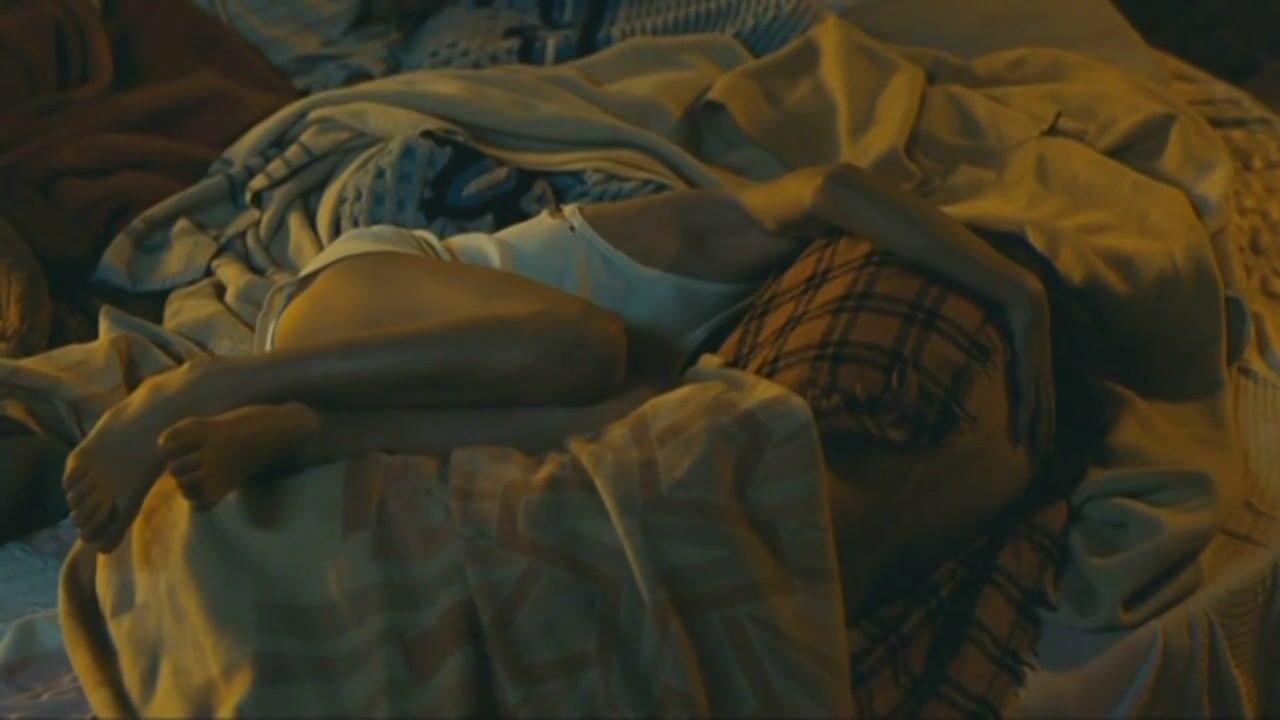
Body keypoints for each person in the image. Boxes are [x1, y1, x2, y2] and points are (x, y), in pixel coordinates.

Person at [62, 163, 1054, 553]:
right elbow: (830, 184)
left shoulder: (749, 332)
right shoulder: (722, 228)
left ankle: (310, 434)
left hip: (427, 388)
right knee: (587, 349)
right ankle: (214, 383)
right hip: (361, 304)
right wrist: (1018, 294)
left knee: (669, 422)